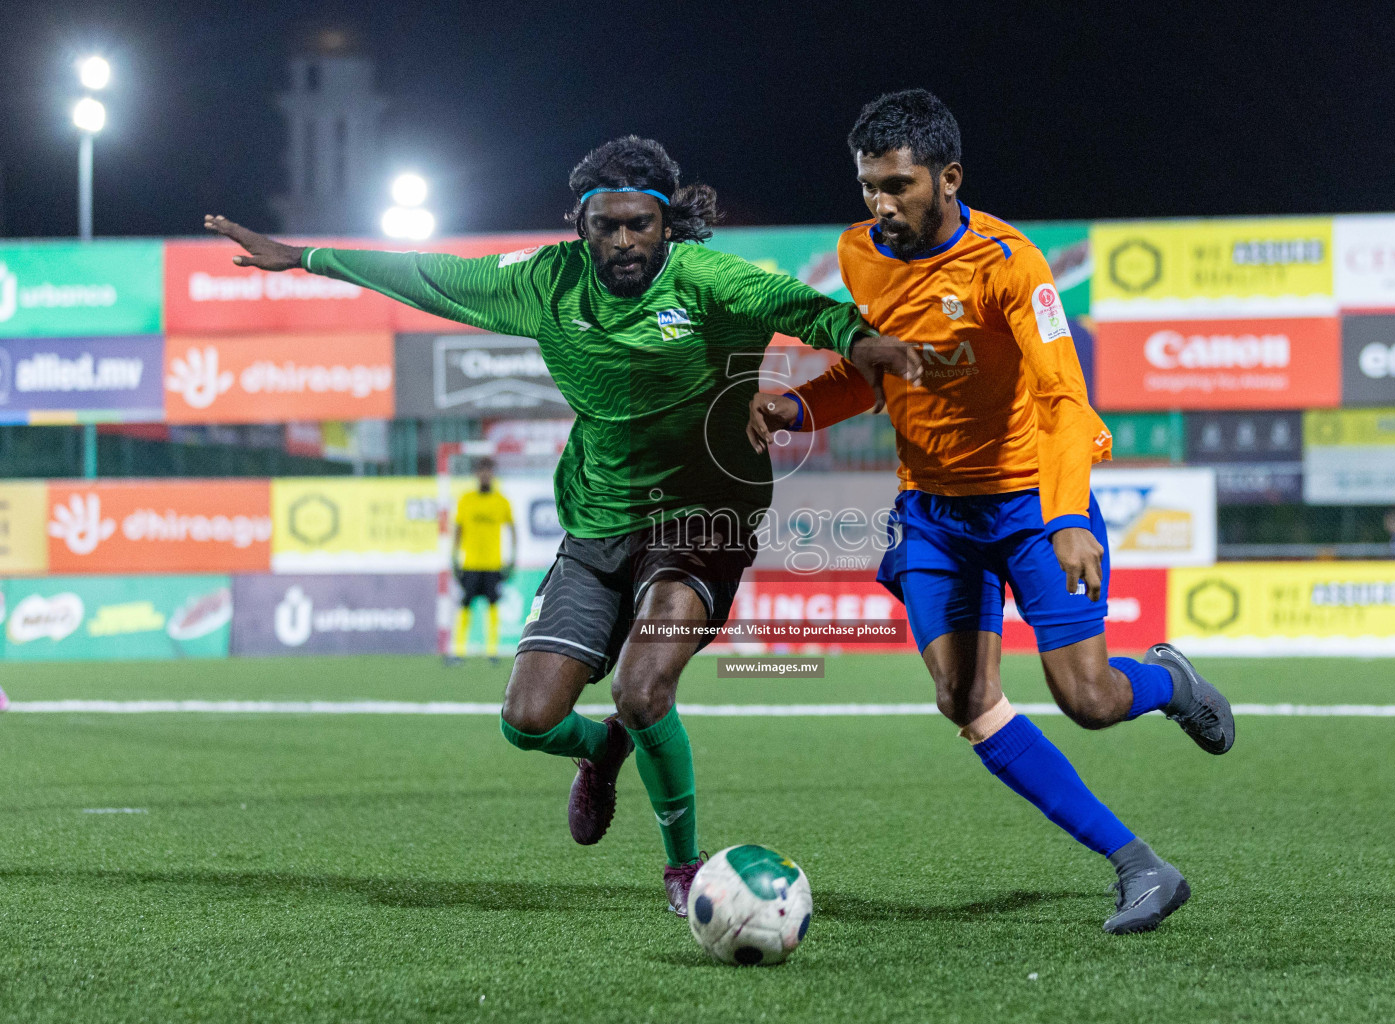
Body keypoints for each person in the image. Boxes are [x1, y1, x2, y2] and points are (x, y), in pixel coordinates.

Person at [205, 135, 918, 916]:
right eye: (604, 226)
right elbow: (423, 274)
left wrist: (861, 340)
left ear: (666, 221)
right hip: (598, 519)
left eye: (639, 225)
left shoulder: (708, 279)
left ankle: (683, 868)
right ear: (580, 225)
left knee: (644, 691)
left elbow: (804, 308)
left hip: (704, 516)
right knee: (527, 721)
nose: (622, 243)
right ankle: (601, 748)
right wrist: (303, 257)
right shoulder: (547, 281)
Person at [748, 91, 1235, 934]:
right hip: (934, 516)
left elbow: (1061, 395)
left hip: (1030, 508)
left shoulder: (1011, 264)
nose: (880, 204)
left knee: (1088, 699)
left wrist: (1071, 515)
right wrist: (796, 408)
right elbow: (871, 375)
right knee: (964, 700)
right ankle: (1140, 865)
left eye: (897, 185)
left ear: (949, 177)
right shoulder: (858, 255)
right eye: (868, 186)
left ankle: (1165, 683)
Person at [448, 456, 516, 664]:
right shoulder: (466, 499)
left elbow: (512, 530)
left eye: (488, 470)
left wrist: (512, 559)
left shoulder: (501, 501)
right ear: (477, 474)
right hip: (470, 564)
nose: (485, 475)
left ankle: (492, 652)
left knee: (493, 606)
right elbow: (458, 530)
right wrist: (454, 558)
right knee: (464, 605)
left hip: (493, 563)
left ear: (492, 474)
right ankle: (458, 651)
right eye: (481, 470)